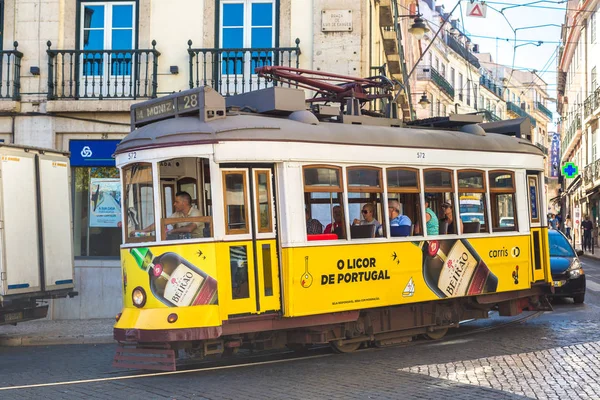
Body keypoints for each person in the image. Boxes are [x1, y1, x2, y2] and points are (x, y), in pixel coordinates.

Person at [136, 191, 202, 238]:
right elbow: (163, 223)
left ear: (184, 203)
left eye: (177, 202)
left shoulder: (196, 213)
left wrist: (172, 231)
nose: (174, 204)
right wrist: (142, 231)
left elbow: (189, 229)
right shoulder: (177, 214)